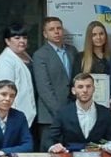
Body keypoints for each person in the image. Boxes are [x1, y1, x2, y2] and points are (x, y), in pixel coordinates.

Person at [33, 17, 81, 146]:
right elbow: (44, 89)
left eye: (59, 28)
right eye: (51, 29)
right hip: (50, 117)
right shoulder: (40, 55)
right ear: (45, 34)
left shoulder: (72, 50)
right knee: (50, 153)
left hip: (72, 113)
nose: (56, 32)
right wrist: (60, 114)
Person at [45, 73, 111, 153]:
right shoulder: (63, 113)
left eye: (88, 86)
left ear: (94, 89)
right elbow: (49, 139)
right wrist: (53, 147)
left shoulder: (106, 113)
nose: (85, 90)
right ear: (73, 90)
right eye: (80, 87)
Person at [0, 24, 36, 128]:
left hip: (29, 113)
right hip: (14, 117)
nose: (22, 41)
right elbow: (5, 93)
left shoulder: (25, 55)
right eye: (17, 38)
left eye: (24, 37)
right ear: (7, 41)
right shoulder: (5, 62)